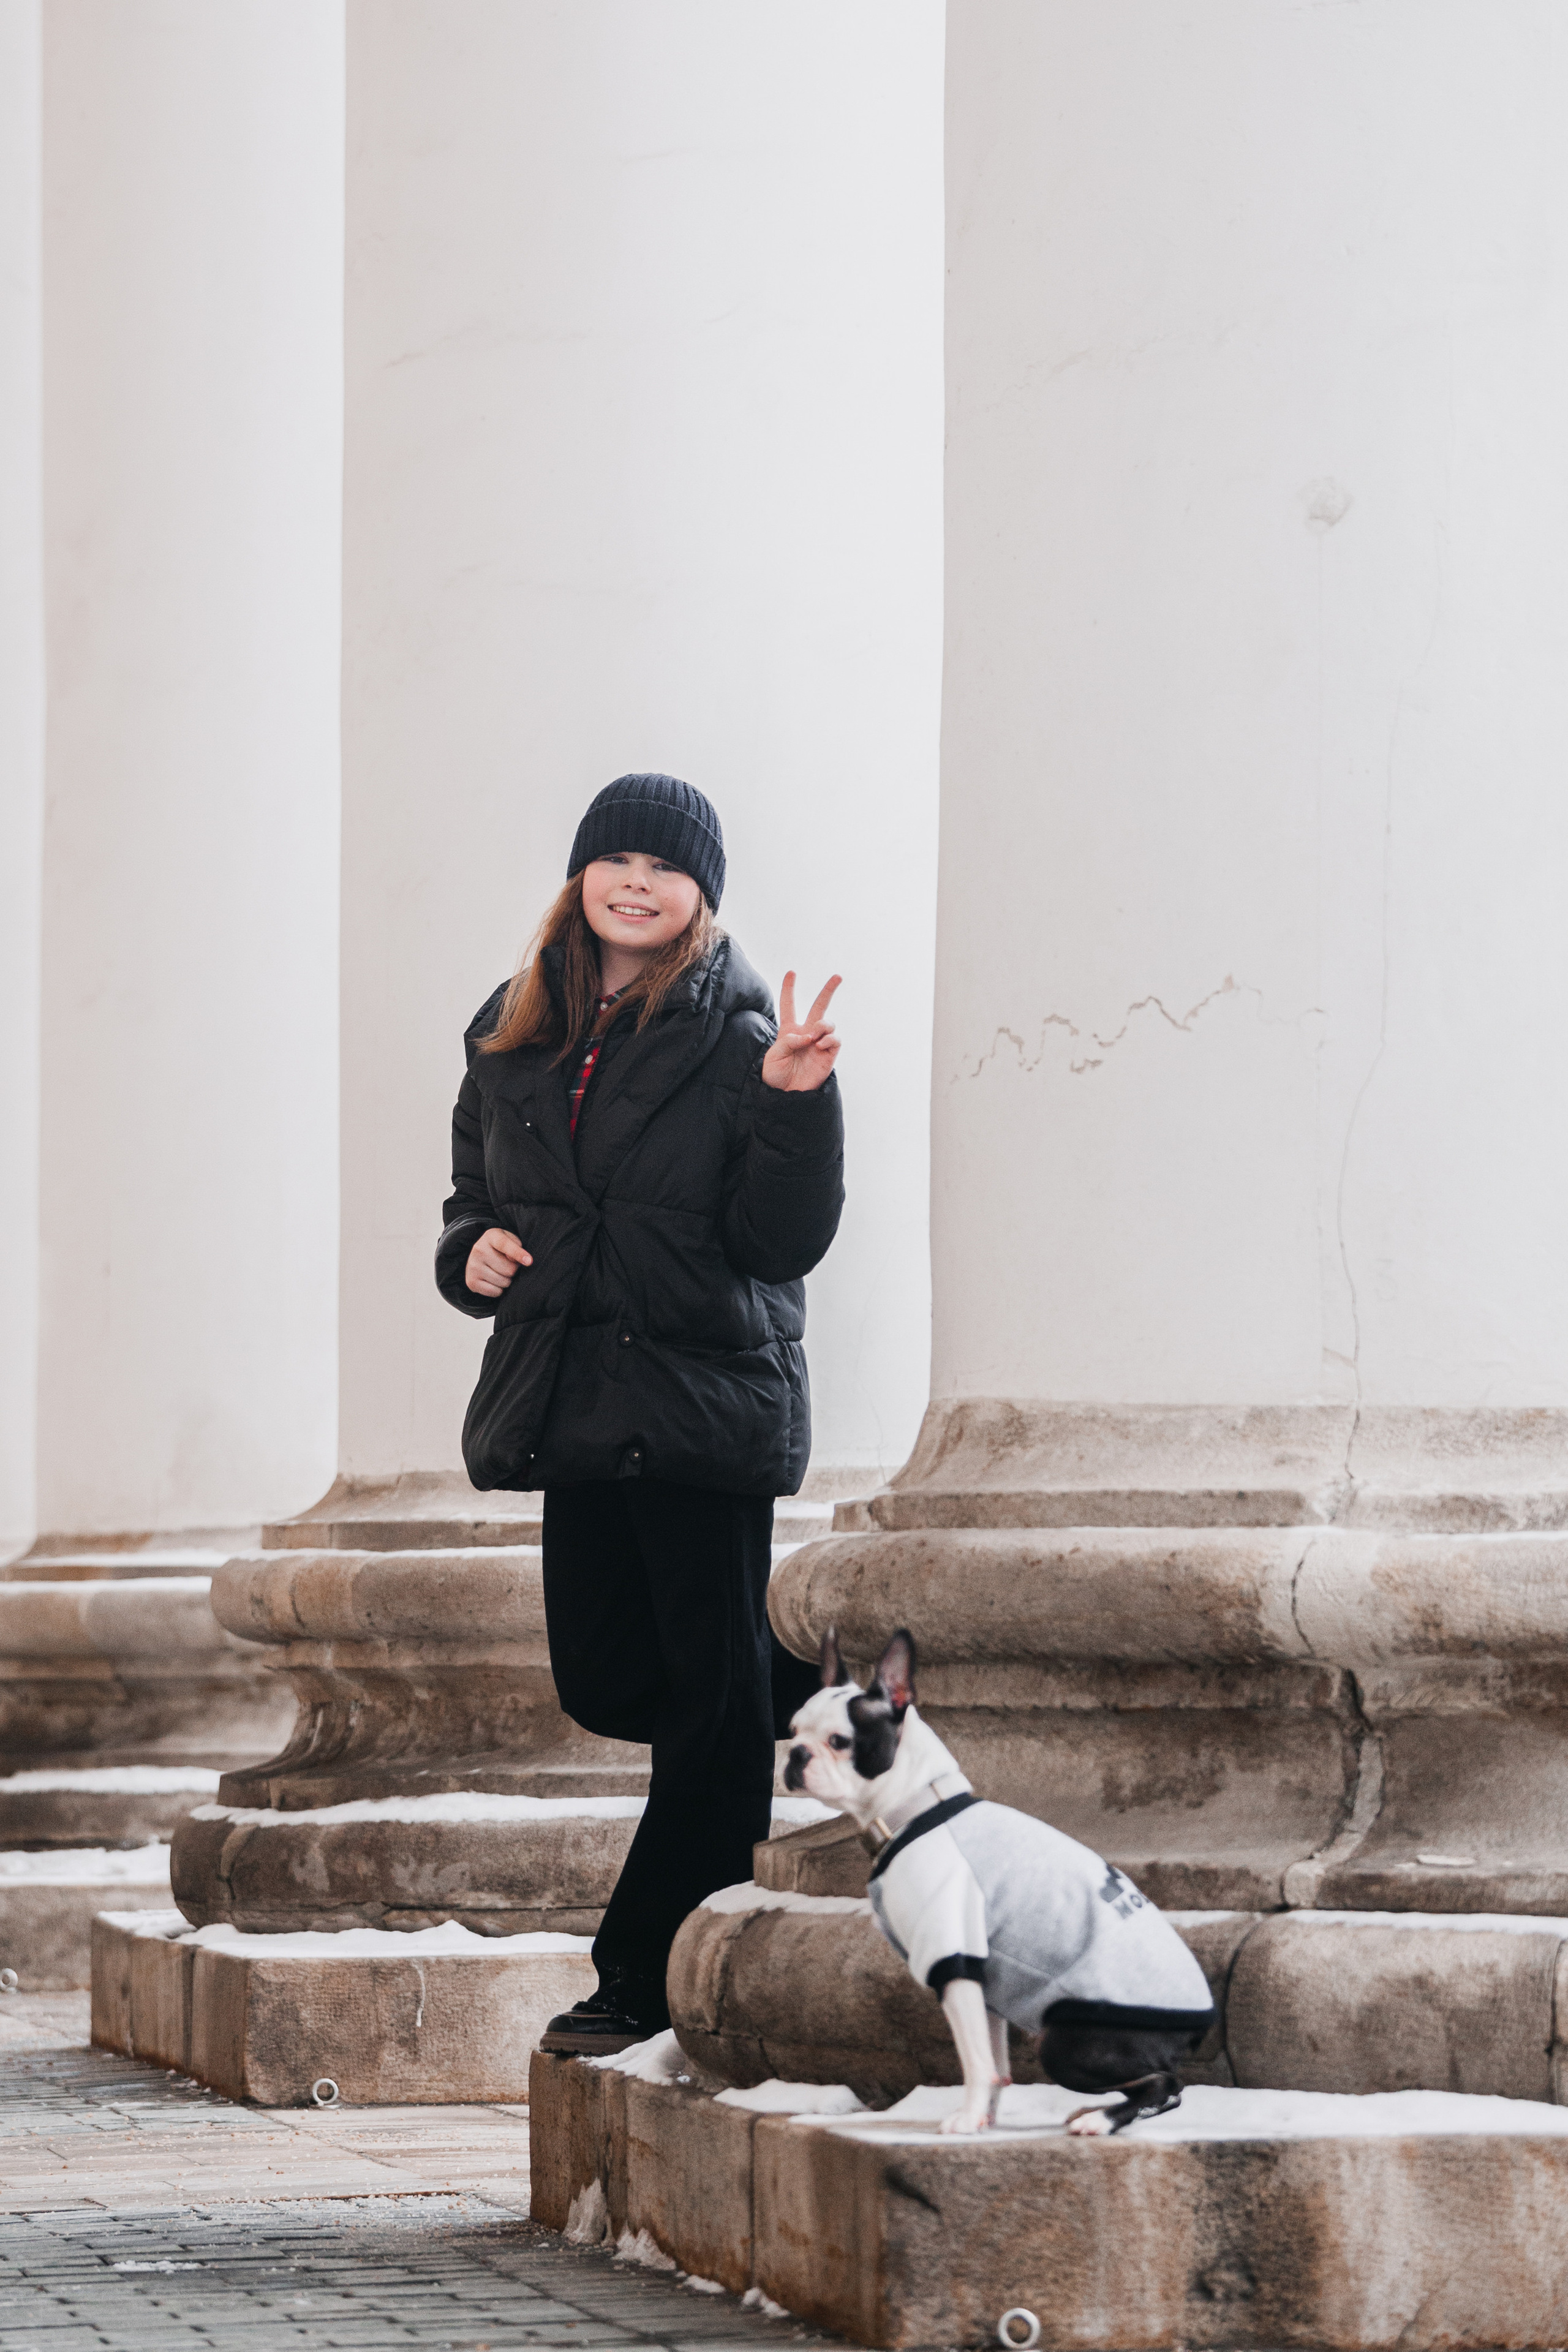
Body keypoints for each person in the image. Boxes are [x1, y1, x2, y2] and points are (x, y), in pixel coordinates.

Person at [435, 772, 845, 2051]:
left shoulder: (738, 1033)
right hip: (571, 1400)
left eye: (665, 867)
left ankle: (646, 1977)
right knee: (611, 1678)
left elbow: (780, 1241)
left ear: (699, 895)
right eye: (615, 858)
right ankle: (824, 1685)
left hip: (701, 1402)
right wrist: (467, 1254)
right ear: (580, 876)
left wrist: (794, 1101)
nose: (635, 882)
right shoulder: (510, 1028)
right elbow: (472, 1196)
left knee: (709, 1722)